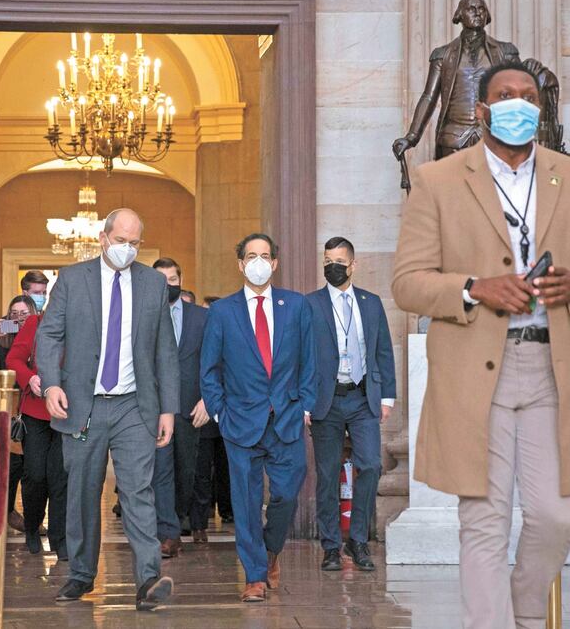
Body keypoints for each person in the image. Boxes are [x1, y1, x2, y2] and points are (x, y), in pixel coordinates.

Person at [392, 62, 570, 629]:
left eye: (528, 96)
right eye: (505, 95)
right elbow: (407, 283)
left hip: (551, 367)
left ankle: (522, 615)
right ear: (485, 109)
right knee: (485, 520)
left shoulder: (565, 175)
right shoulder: (438, 180)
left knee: (553, 517)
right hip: (475, 370)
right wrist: (473, 288)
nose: (518, 104)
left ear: (540, 110)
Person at [36, 208, 180, 611]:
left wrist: (168, 408)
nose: (128, 250)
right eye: (121, 241)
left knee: (138, 490)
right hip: (84, 406)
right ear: (103, 238)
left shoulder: (153, 283)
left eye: (135, 243)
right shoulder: (72, 279)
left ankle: (148, 579)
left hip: (136, 406)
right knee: (82, 491)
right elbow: (49, 335)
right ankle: (81, 574)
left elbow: (164, 349)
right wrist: (50, 384)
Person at [200, 233, 316, 602]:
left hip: (286, 420)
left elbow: (310, 361)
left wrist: (306, 405)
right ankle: (254, 576)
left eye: (265, 255)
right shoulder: (222, 311)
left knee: (285, 494)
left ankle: (270, 551)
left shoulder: (296, 306)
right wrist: (219, 411)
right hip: (240, 423)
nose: (259, 261)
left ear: (275, 263)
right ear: (240, 264)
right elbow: (210, 369)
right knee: (247, 503)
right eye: (251, 255)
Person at [306, 237, 397, 572]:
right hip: (325, 400)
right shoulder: (311, 304)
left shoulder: (371, 303)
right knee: (328, 474)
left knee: (371, 465)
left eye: (340, 260)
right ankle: (331, 546)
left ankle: (357, 540)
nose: (333, 266)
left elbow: (384, 351)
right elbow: (302, 354)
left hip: (362, 397)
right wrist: (303, 401)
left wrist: (387, 396)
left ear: (353, 265)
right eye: (328, 260)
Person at [392, 0, 519, 161]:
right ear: (459, 15)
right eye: (471, 9)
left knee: (493, 188)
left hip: (494, 136)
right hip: (454, 138)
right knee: (452, 187)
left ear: (487, 15)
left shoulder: (505, 53)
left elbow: (523, 93)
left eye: (481, 9)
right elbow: (429, 97)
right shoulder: (442, 55)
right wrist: (411, 137)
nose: (477, 13)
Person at [150, 257, 208, 557]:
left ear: (180, 281)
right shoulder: (142, 316)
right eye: (161, 281)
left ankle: (178, 517)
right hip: (153, 409)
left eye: (172, 281)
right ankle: (167, 533)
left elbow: (216, 363)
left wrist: (208, 400)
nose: (168, 286)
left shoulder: (201, 318)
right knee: (160, 470)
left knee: (186, 472)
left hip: (190, 409)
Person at [6, 303, 68, 559]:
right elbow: (13, 358)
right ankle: (32, 527)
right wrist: (29, 377)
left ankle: (59, 538)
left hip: (68, 412)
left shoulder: (82, 324)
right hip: (35, 411)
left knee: (61, 477)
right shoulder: (34, 324)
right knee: (35, 474)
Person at [0, 295, 37, 534]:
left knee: (27, 468)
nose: (19, 319)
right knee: (3, 466)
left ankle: (12, 512)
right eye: (14, 314)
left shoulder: (41, 338)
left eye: (24, 314)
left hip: (31, 408)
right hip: (3, 409)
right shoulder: (4, 345)